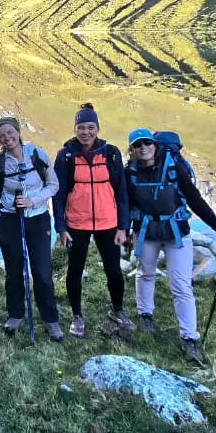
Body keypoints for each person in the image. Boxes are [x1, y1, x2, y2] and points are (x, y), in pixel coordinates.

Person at [124, 127, 216, 365]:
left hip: (176, 231)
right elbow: (124, 204)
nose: (143, 148)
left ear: (154, 146)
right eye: (138, 145)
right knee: (146, 274)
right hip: (147, 231)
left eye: (147, 143)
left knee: (181, 284)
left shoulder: (173, 168)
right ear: (132, 150)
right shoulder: (130, 173)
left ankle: (190, 338)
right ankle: (146, 315)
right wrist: (123, 231)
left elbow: (194, 198)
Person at [52, 103, 130, 338]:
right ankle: (77, 316)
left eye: (90, 127)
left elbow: (122, 192)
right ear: (75, 129)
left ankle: (118, 310)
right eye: (81, 127)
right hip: (77, 223)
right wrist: (61, 226)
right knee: (74, 271)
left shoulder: (111, 153)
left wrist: (123, 226)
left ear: (97, 128)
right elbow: (59, 193)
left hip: (108, 222)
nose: (85, 132)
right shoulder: (66, 155)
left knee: (114, 270)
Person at [0, 116, 63, 340]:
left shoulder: (37, 154)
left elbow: (53, 185)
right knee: (13, 270)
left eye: (10, 132)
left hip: (38, 218)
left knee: (41, 271)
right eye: (1, 135)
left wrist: (34, 200)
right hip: (10, 219)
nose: (7, 138)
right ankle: (16, 315)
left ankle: (51, 319)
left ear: (18, 132)